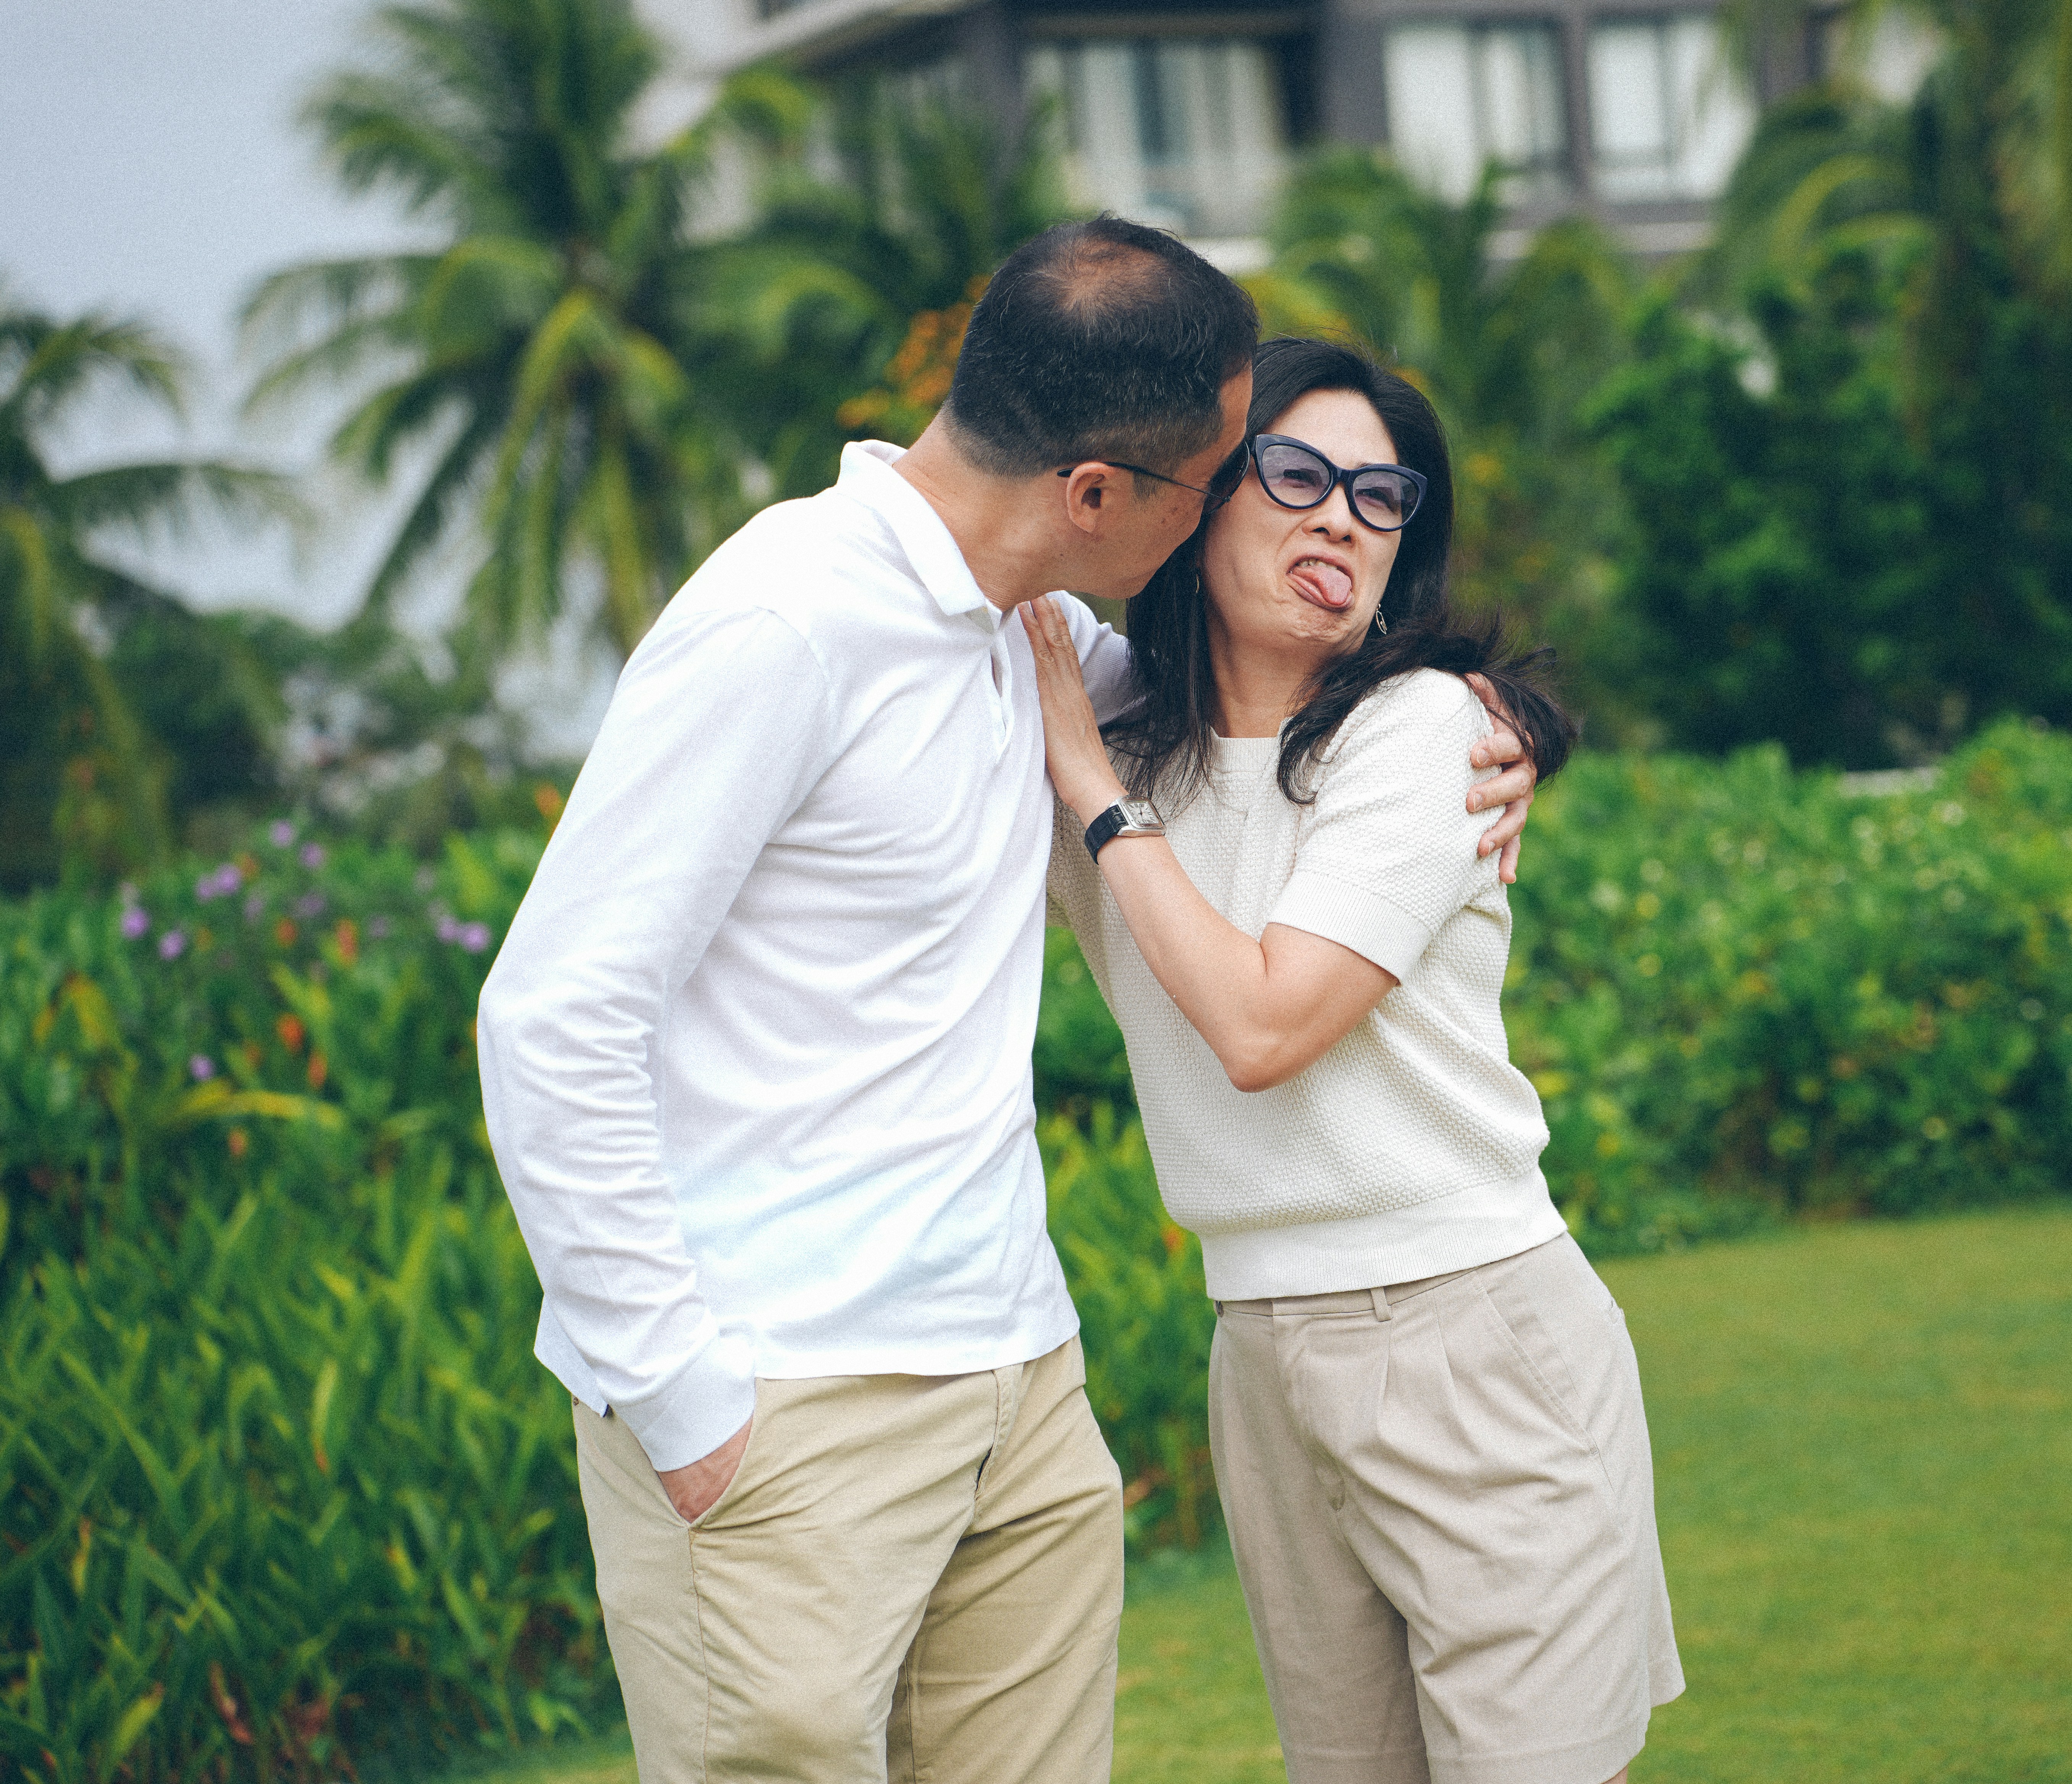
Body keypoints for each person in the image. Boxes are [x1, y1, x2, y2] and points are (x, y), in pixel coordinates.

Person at [476, 221, 1541, 1784]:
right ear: (1096, 495)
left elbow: (1266, 708)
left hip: (1020, 1392)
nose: (1219, 526)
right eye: (1212, 485)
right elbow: (552, 1017)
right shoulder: (784, 626)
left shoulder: (1037, 631)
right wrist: (685, 1399)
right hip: (783, 1400)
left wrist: (1493, 725)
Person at [1025, 336, 1682, 1784]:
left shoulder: (1423, 729)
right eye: (1299, 475)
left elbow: (1266, 1028)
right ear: (1194, 505)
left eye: (1383, 499)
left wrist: (1093, 799)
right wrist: (1098, 769)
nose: (1343, 518)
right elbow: (967, 499)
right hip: (1260, 1352)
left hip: (1472, 1335)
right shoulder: (1120, 727)